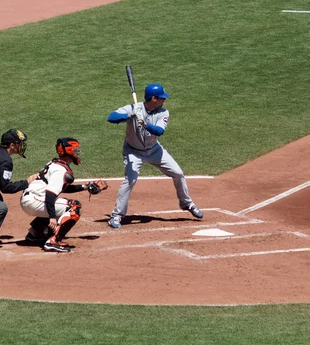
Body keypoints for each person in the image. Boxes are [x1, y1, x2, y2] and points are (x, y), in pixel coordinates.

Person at [107, 84, 203, 228]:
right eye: (161, 98)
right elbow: (111, 117)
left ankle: (187, 204)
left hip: (155, 150)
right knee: (130, 180)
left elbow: (159, 131)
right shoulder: (134, 108)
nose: (164, 100)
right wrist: (129, 114)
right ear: (153, 98)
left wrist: (145, 125)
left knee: (178, 173)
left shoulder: (163, 112)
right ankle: (116, 216)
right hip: (133, 152)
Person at [20, 137, 108, 252]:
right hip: (34, 200)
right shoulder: (60, 170)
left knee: (58, 204)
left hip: (31, 198)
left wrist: (85, 187)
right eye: (75, 150)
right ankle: (53, 241)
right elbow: (50, 195)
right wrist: (52, 218)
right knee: (74, 206)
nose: (77, 152)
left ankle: (35, 233)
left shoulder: (55, 163)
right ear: (68, 151)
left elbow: (59, 188)